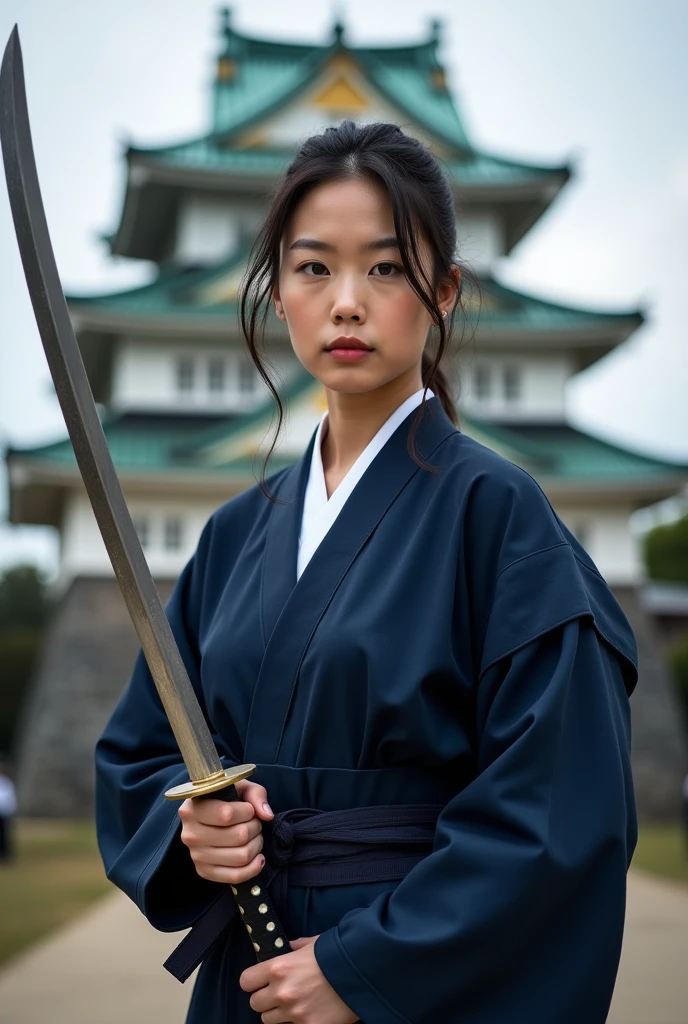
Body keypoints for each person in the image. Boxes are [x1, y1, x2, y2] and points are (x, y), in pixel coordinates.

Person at [95, 120, 638, 1024]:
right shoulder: (235, 535)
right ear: (277, 296)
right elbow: (144, 753)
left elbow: (556, 812)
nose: (347, 301)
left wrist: (365, 968)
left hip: (409, 978)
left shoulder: (498, 517)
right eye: (313, 268)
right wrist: (193, 831)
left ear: (445, 291)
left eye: (385, 268)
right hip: (251, 976)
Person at [0, 761, 17, 863]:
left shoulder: (6, 782)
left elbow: (9, 798)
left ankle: (5, 854)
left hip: (5, 813)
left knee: (5, 835)